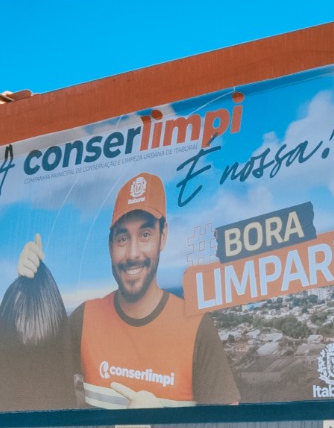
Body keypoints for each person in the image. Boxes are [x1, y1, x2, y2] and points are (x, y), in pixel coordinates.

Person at [16, 172, 240, 408]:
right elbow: (34, 377)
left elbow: (227, 427)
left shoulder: (196, 327)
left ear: (163, 236)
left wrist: (164, 421)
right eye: (122, 238)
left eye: (145, 235)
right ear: (110, 245)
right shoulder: (85, 319)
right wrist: (26, 289)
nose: (133, 254)